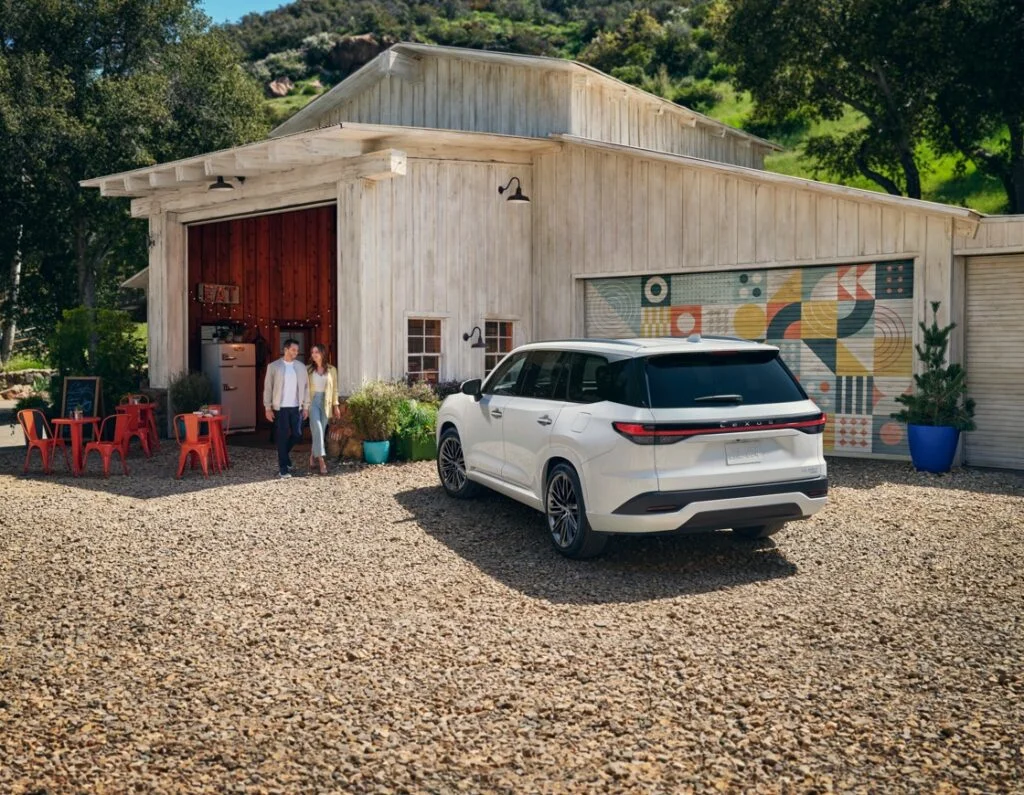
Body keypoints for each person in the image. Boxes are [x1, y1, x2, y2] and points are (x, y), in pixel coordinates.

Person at [263, 339, 310, 478]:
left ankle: (284, 455)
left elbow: (306, 387)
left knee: (297, 434)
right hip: (280, 408)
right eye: (293, 349)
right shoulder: (273, 366)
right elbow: (268, 388)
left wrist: (306, 406)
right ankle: (283, 469)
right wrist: (267, 408)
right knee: (282, 437)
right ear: (286, 349)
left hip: (296, 407)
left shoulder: (301, 367)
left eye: (297, 350)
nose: (296, 352)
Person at [306, 343, 341, 475]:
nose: (314, 354)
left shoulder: (332, 369)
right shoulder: (308, 369)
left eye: (316, 352)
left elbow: (335, 389)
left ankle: (311, 456)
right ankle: (321, 461)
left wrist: (336, 405)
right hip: (313, 401)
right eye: (312, 352)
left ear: (322, 353)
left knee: (317, 431)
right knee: (319, 429)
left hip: (326, 402)